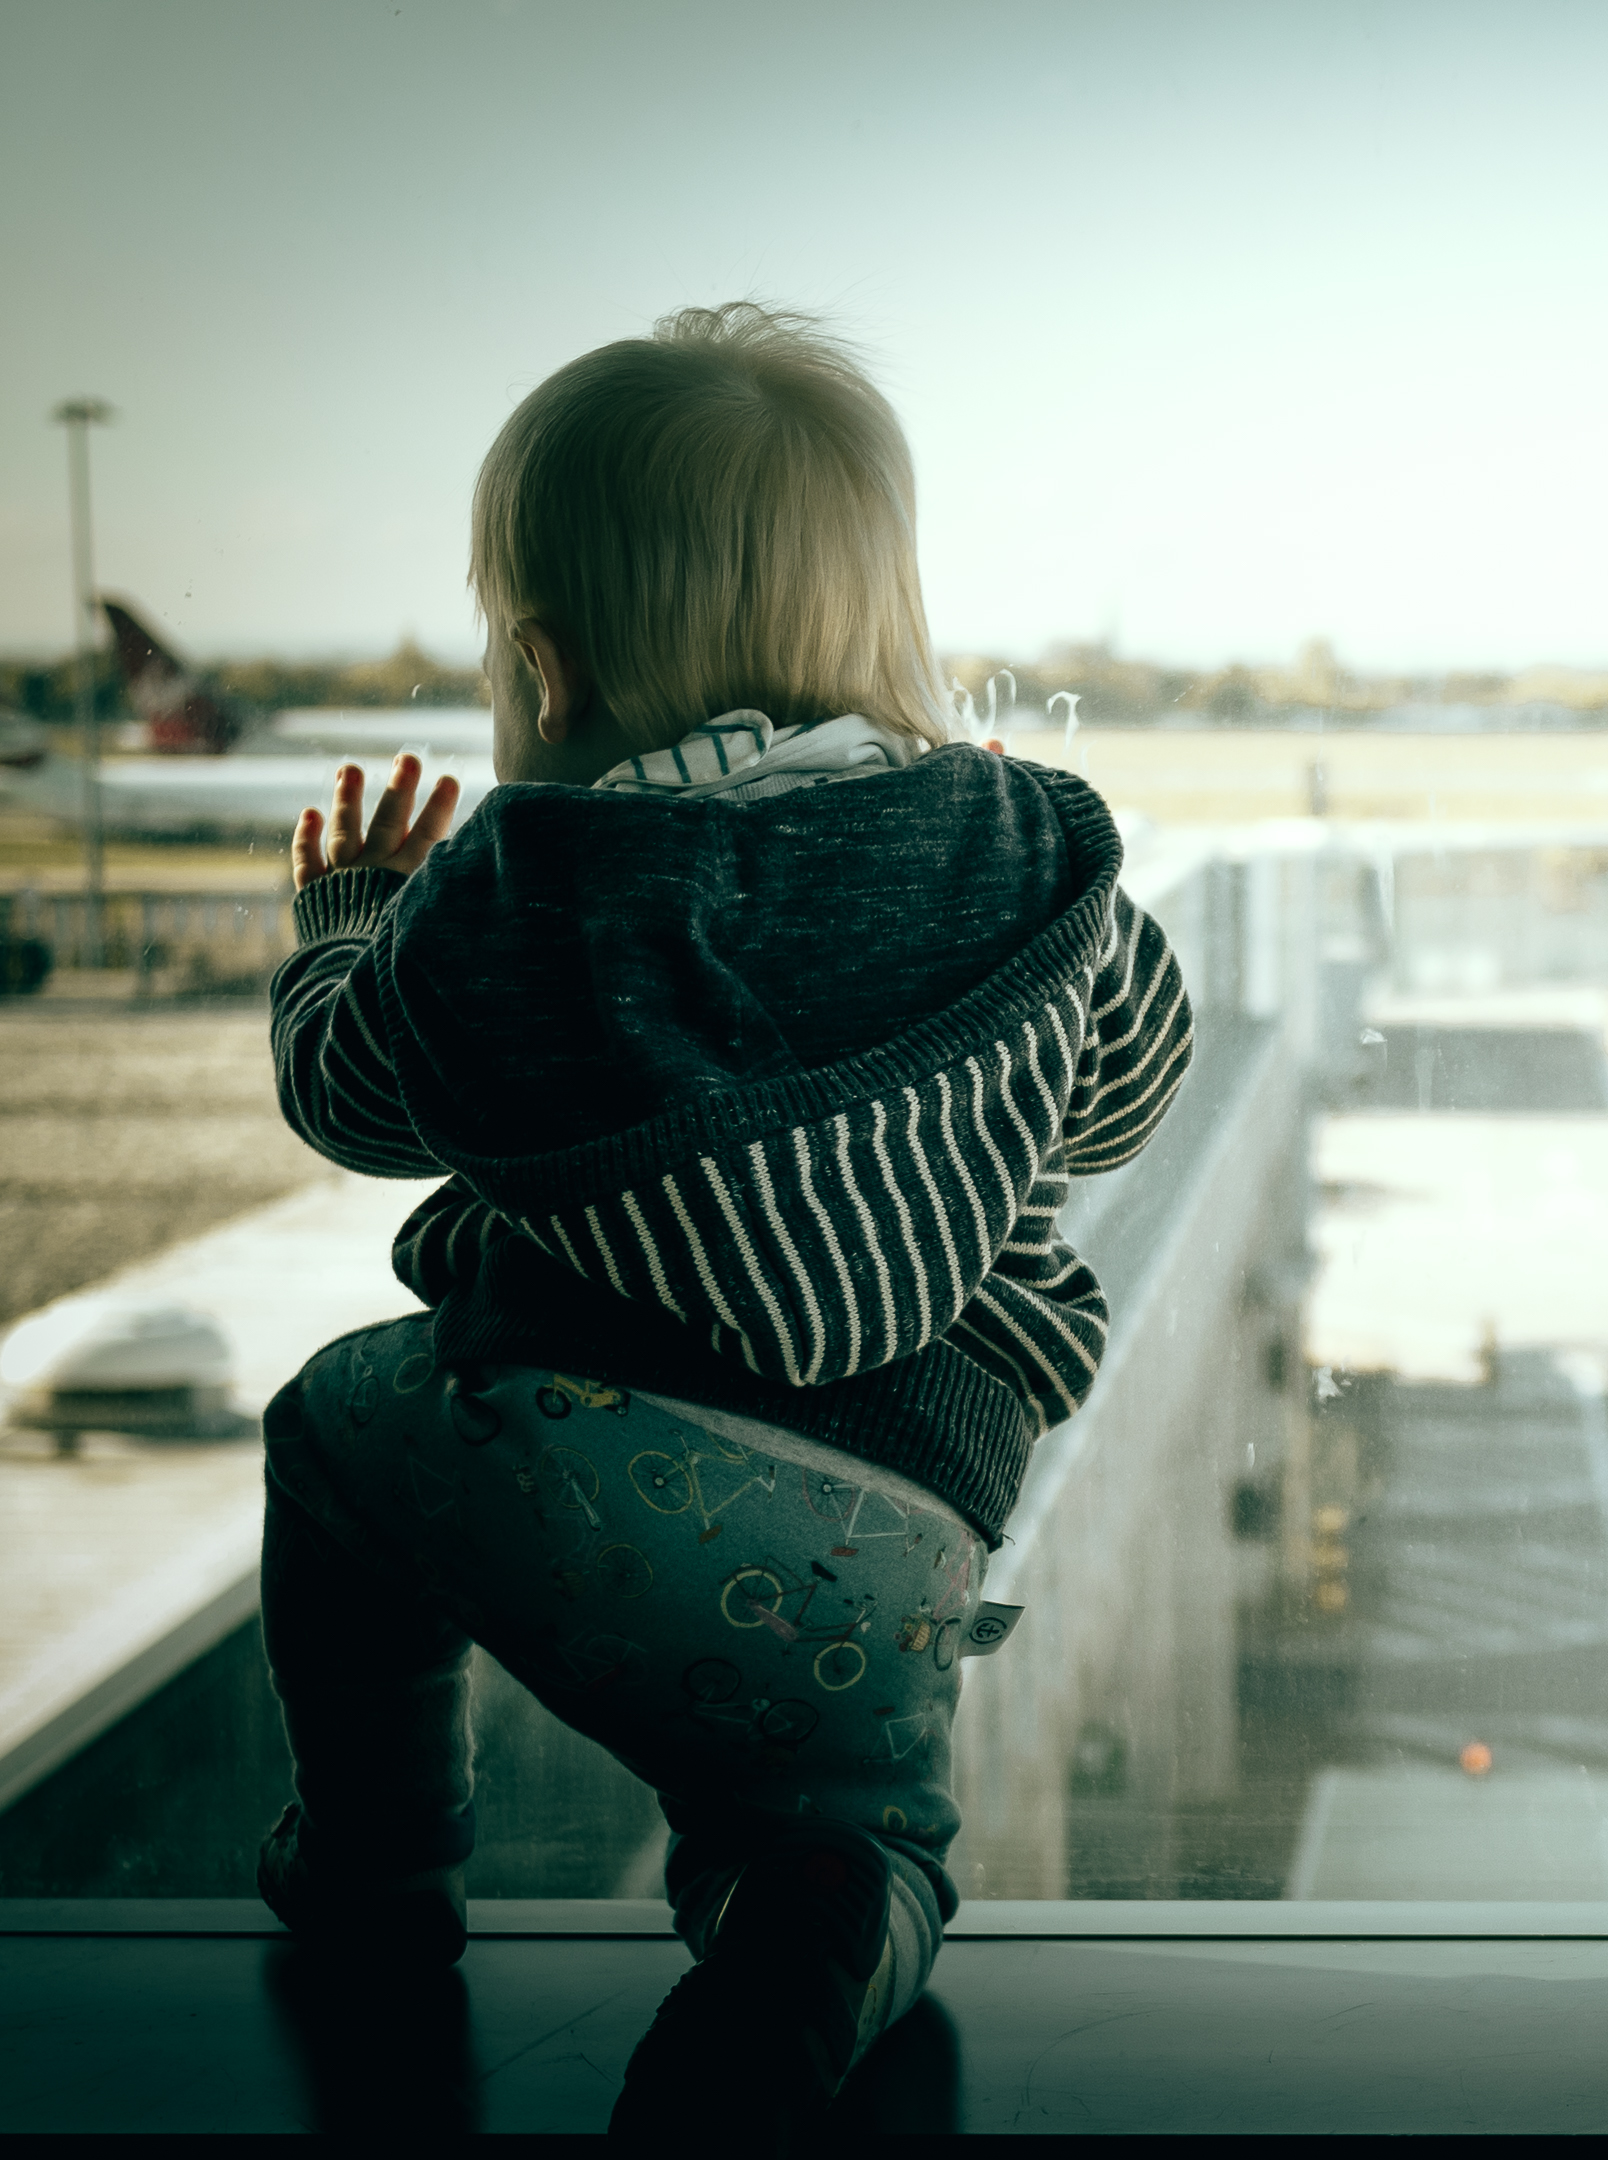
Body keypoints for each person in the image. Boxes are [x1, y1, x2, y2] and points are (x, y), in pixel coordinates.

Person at [253, 303, 1191, 2138]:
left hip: (558, 1476)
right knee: (862, 1841)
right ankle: (815, 1927)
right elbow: (1133, 1078)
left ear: (540, 652)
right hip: (894, 1530)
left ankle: (381, 1864)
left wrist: (346, 934)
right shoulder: (1032, 854)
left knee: (332, 1436)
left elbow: (353, 1103)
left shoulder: (520, 890)